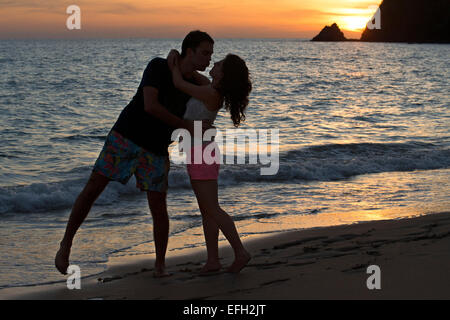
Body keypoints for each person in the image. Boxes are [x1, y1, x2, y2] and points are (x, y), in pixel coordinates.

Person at [55, 31, 215, 278]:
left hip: (157, 149)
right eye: (205, 53)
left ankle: (160, 265)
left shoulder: (192, 82)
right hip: (126, 137)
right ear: (189, 51)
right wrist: (185, 125)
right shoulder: (158, 66)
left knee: (159, 207)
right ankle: (66, 244)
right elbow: (150, 105)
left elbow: (217, 89)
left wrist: (188, 72)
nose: (209, 59)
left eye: (211, 54)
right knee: (92, 189)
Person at [167, 50, 252, 273]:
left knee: (211, 209)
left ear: (223, 74)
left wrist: (173, 58)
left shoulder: (210, 93)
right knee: (207, 210)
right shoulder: (209, 88)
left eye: (220, 63)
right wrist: (186, 58)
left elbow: (177, 82)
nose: (214, 62)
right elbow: (193, 75)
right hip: (200, 151)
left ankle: (240, 252)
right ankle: (213, 260)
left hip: (201, 152)